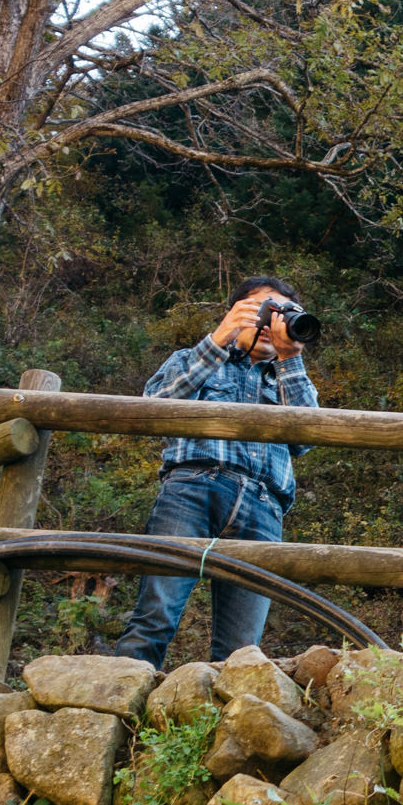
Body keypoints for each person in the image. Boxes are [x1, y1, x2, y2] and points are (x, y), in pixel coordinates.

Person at [113, 277, 318, 668]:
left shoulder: (289, 379)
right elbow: (152, 407)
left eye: (284, 316)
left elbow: (305, 438)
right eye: (266, 310)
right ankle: (114, 712)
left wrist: (291, 358)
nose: (274, 323)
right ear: (238, 311)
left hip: (263, 505)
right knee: (155, 617)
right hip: (191, 489)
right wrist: (219, 339)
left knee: (242, 649)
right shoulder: (193, 359)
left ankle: (227, 726)